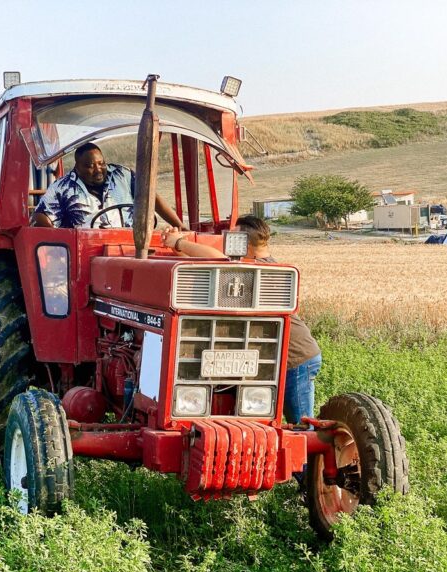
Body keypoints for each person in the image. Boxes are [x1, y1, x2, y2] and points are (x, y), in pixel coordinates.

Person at [160, 215, 322, 427]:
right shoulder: (258, 266)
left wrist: (178, 242)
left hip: (297, 359)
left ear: (244, 243)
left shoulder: (263, 271)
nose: (228, 246)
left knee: (302, 428)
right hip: (277, 360)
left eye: (233, 240)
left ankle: (306, 461)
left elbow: (220, 261)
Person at [32, 143, 184, 229]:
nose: (98, 169)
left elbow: (152, 198)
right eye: (90, 166)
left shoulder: (122, 174)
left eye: (101, 163)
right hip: (84, 252)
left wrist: (181, 227)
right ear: (77, 167)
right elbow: (41, 216)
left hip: (130, 243)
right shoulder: (61, 188)